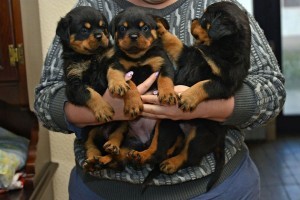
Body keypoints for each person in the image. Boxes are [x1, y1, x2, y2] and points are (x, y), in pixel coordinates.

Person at [34, 0, 286, 199]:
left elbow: (272, 92)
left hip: (216, 190)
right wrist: (106, 109)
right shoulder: (92, 8)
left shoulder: (220, 7)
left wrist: (196, 105)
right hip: (105, 191)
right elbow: (45, 102)